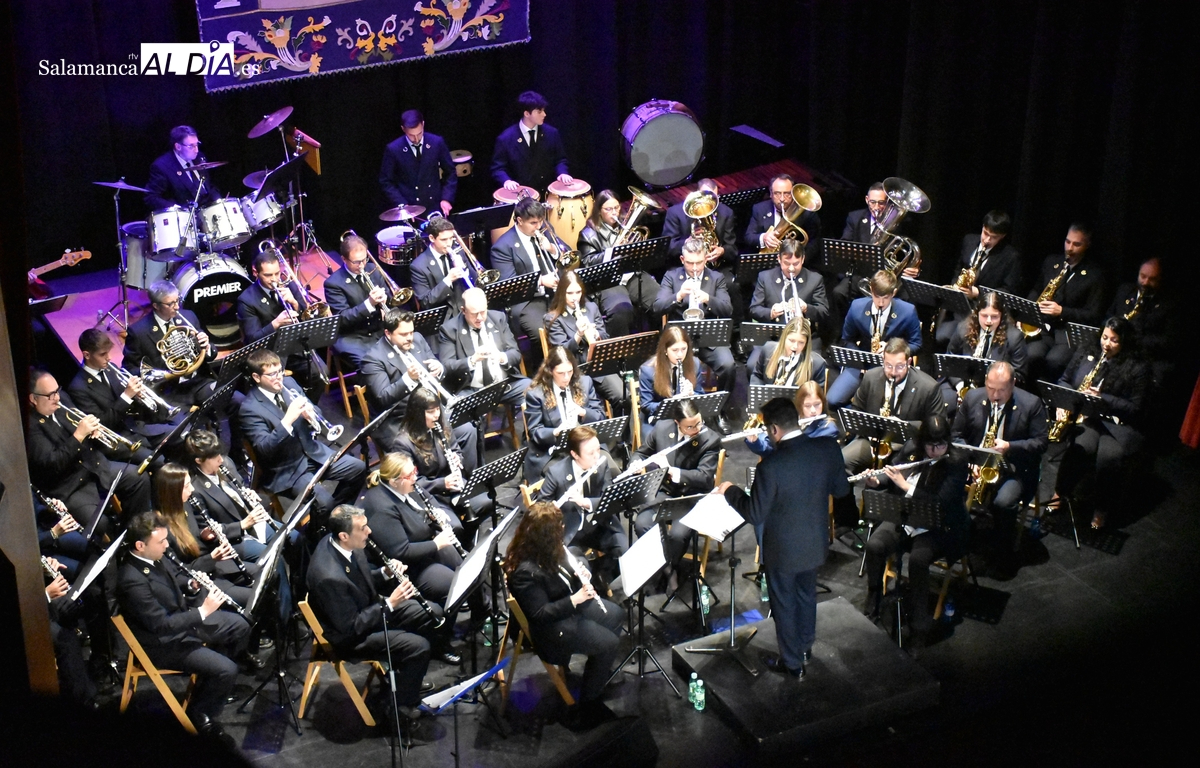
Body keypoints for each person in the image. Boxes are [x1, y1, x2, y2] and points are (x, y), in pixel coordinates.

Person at [719, 397, 851, 678]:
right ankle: (804, 648)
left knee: (785, 604)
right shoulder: (827, 449)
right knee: (806, 596)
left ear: (774, 430)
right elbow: (840, 490)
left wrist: (730, 491)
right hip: (815, 543)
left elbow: (754, 513)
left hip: (782, 550)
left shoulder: (771, 465)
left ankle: (792, 664)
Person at [306, 505, 447, 729]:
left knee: (431, 613)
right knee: (418, 647)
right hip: (351, 637)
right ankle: (397, 708)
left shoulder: (345, 543)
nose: (369, 531)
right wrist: (391, 603)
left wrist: (384, 573)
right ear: (344, 535)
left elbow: (358, 582)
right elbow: (350, 627)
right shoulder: (328, 577)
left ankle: (405, 681)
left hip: (367, 610)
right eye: (363, 528)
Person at [117, 511, 250, 746]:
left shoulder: (154, 556)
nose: (167, 545)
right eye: (161, 541)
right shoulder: (132, 579)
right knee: (227, 670)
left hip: (182, 623)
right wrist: (203, 612)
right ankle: (201, 714)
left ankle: (208, 684)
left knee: (240, 625)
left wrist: (191, 583)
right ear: (140, 545)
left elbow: (174, 579)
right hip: (163, 643)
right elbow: (160, 625)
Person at [861, 415, 970, 654]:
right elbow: (891, 475)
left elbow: (940, 503)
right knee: (875, 545)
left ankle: (919, 629)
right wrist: (875, 481)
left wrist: (905, 486)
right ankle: (873, 600)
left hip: (937, 525)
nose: (935, 450)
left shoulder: (956, 462)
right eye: (931, 445)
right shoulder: (913, 448)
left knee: (919, 561)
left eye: (941, 445)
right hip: (906, 516)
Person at [503, 502, 623, 717]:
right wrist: (575, 599)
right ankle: (589, 702)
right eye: (558, 528)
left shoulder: (545, 548)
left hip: (567, 606)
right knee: (609, 644)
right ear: (545, 536)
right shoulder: (524, 572)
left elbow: (563, 565)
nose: (562, 531)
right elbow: (539, 614)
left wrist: (580, 572)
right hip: (552, 629)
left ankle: (598, 669)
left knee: (616, 615)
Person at [237, 350, 367, 529]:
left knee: (358, 469)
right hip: (287, 469)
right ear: (256, 377)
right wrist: (287, 420)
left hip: (312, 452)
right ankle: (317, 534)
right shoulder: (249, 409)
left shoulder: (288, 383)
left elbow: (316, 411)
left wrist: (311, 414)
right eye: (272, 374)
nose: (279, 378)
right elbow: (264, 449)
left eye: (280, 371)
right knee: (323, 503)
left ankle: (334, 518)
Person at [1039, 317, 1146, 530]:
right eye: (1105, 337)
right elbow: (1065, 379)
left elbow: (1136, 408)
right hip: (1090, 417)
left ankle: (1101, 509)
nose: (1106, 344)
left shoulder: (1137, 368)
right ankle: (1060, 493)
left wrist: (1103, 398)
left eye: (1114, 340)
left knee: (1109, 457)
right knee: (1080, 447)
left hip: (1119, 424)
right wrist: (1064, 402)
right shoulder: (1087, 352)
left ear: (1124, 342)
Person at [359, 453, 480, 635]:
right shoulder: (381, 507)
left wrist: (435, 513)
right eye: (410, 475)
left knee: (467, 568)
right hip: (407, 568)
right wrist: (436, 544)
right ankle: (441, 639)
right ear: (394, 481)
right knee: (451, 584)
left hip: (424, 548)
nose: (415, 477)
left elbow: (426, 497)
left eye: (415, 471)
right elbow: (401, 552)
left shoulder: (407, 486)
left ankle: (481, 611)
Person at [26, 368, 152, 533]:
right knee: (100, 525)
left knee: (138, 479)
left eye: (57, 391)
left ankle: (134, 533)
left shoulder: (61, 399)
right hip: (70, 486)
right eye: (50, 395)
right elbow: (53, 463)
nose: (57, 398)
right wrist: (79, 435)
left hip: (93, 465)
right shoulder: (30, 427)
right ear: (33, 399)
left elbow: (79, 420)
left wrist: (92, 431)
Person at [951, 362, 1048, 561]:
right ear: (985, 382)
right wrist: (972, 460)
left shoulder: (1032, 404)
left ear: (1013, 384)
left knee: (1003, 502)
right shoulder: (973, 397)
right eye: (991, 388)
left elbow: (1040, 443)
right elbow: (956, 434)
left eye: (1001, 390)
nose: (995, 396)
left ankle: (1002, 546)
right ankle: (956, 534)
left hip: (1015, 467)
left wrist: (1010, 446)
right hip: (977, 463)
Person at [359, 308, 476, 457]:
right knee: (428, 451)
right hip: (398, 420)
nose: (409, 338)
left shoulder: (418, 339)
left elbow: (433, 364)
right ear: (388, 333)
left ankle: (465, 478)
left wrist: (439, 368)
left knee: (467, 430)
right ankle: (439, 479)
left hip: (429, 410)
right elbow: (383, 398)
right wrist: (408, 379)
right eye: (403, 334)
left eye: (411, 332)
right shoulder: (373, 359)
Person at [654, 236, 737, 430]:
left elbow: (727, 309)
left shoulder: (715, 278)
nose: (694, 268)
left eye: (699, 262)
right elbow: (657, 306)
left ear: (706, 258)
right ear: (683, 260)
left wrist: (708, 298)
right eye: (690, 263)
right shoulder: (671, 276)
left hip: (708, 337)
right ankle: (678, 411)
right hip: (679, 341)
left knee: (729, 365)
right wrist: (679, 295)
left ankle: (718, 410)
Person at [154, 462, 262, 611]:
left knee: (265, 575)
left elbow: (195, 537)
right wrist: (212, 557)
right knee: (255, 597)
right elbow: (181, 571)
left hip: (218, 567)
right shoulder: (161, 529)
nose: (192, 489)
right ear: (172, 492)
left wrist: (204, 535)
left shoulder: (185, 504)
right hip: (204, 581)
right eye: (186, 487)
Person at [66, 328, 179, 468]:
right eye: (103, 354)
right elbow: (101, 424)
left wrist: (137, 395)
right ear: (87, 355)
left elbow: (128, 404)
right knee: (160, 461)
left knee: (180, 435)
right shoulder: (78, 388)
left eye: (108, 352)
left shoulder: (110, 368)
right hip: (118, 441)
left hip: (136, 427)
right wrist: (127, 396)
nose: (109, 358)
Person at [632, 399, 722, 571]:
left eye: (699, 423)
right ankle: (663, 567)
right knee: (642, 523)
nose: (697, 429)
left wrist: (672, 471)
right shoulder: (662, 429)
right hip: (665, 491)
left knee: (678, 535)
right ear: (677, 423)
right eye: (690, 427)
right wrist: (635, 464)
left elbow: (704, 477)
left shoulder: (710, 440)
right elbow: (641, 453)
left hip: (692, 495)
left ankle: (669, 568)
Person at [841, 338, 946, 477]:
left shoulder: (929, 387)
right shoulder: (870, 378)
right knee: (841, 461)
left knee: (893, 480)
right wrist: (869, 431)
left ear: (909, 363)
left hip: (908, 448)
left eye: (899, 366)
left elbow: (937, 426)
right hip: (873, 443)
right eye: (888, 365)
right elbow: (857, 409)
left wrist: (900, 427)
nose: (893, 372)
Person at [237, 249, 326, 402]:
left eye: (277, 273)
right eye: (268, 275)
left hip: (293, 345)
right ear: (255, 272)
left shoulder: (289, 285)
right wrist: (275, 324)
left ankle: (309, 411)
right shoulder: (247, 300)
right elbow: (253, 339)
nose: (275, 280)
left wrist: (295, 304)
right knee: (279, 384)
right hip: (269, 352)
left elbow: (309, 316)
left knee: (321, 373)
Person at [826, 270, 923, 408]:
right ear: (871, 290)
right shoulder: (857, 307)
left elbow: (917, 344)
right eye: (877, 296)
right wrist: (858, 358)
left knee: (881, 408)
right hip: (861, 364)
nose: (881, 302)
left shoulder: (907, 311)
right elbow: (847, 339)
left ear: (894, 293)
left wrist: (893, 347)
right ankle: (855, 410)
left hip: (890, 366)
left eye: (886, 297)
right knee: (832, 401)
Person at [1024, 223, 1107, 382]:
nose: (1069, 248)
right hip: (1044, 326)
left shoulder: (1096, 275)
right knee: (1031, 355)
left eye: (1077, 244)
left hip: (1067, 333)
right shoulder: (1052, 262)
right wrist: (1030, 306)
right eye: (1068, 242)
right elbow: (1036, 289)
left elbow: (1094, 315)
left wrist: (1062, 311)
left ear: (1087, 245)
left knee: (1054, 362)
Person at [537, 426, 623, 576]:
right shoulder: (556, 473)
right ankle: (591, 579)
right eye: (591, 453)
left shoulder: (601, 463)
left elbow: (608, 497)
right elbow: (541, 507)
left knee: (624, 552)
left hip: (598, 524)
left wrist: (585, 502)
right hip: (570, 533)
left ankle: (600, 577)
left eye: (598, 449)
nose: (597, 455)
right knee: (581, 571)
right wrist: (555, 509)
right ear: (575, 454)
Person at [122, 279, 218, 408]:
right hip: (168, 392)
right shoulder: (138, 332)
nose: (177, 307)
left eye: (177, 300)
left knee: (236, 401)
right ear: (156, 305)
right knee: (185, 426)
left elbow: (211, 354)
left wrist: (206, 347)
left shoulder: (189, 316)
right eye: (170, 304)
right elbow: (129, 369)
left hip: (199, 382)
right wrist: (157, 376)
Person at [185, 429, 276, 564]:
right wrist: (242, 525)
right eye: (214, 457)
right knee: (271, 557)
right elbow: (208, 532)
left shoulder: (226, 463)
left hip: (254, 524)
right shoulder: (195, 489)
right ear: (199, 460)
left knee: (293, 537)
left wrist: (247, 494)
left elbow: (239, 488)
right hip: (234, 539)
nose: (220, 459)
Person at [576, 188, 658, 333]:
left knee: (661, 300)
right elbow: (588, 262)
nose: (614, 212)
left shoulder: (626, 223)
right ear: (599, 210)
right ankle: (620, 353)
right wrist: (613, 252)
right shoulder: (588, 234)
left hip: (630, 274)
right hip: (608, 281)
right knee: (621, 312)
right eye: (608, 209)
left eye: (616, 207)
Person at [491, 195, 563, 359]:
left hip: (554, 293)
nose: (538, 227)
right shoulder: (502, 247)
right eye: (533, 223)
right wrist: (541, 282)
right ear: (519, 220)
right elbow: (509, 284)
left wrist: (551, 248)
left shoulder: (544, 228)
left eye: (540, 221)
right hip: (527, 301)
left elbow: (564, 252)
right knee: (543, 333)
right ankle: (543, 371)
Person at [936, 210, 1022, 347]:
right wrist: (955, 287)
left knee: (960, 341)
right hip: (959, 307)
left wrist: (978, 293)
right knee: (941, 337)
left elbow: (1008, 292)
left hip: (984, 312)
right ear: (982, 227)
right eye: (985, 233)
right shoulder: (969, 241)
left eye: (993, 237)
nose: (987, 240)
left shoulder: (1011, 257)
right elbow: (959, 269)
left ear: (1002, 236)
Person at [436, 287, 531, 410]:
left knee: (536, 392)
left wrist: (501, 357)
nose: (480, 318)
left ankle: (531, 429)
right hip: (471, 390)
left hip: (505, 385)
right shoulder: (449, 329)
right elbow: (447, 365)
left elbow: (516, 354)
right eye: (474, 314)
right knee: (463, 424)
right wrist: (472, 360)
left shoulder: (498, 318)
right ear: (463, 310)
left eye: (483, 312)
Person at [939, 292, 1028, 417]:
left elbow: (1019, 375)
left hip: (994, 390)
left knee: (978, 413)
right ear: (977, 314)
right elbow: (949, 360)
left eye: (994, 316)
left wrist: (991, 387)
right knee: (943, 406)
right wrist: (960, 387)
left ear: (1002, 316)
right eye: (984, 316)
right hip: (960, 383)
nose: (989, 321)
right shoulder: (963, 329)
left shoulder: (1014, 337)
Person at [524, 346, 606, 479]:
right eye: (561, 373)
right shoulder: (536, 394)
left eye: (570, 371)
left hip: (586, 445)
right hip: (554, 451)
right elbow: (534, 431)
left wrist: (583, 412)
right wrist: (556, 432)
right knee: (567, 480)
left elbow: (600, 416)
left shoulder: (585, 383)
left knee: (610, 470)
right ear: (550, 371)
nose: (566, 377)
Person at [394, 387, 479, 513]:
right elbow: (411, 482)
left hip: (453, 484)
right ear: (417, 414)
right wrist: (442, 483)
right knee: (454, 527)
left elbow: (456, 449)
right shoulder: (403, 443)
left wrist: (457, 457)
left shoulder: (440, 425)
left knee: (485, 503)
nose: (436, 415)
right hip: (430, 494)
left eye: (438, 409)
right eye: (430, 412)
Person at [544, 269, 623, 403]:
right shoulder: (553, 318)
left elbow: (605, 336)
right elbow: (561, 352)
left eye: (578, 292)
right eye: (569, 293)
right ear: (561, 293)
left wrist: (596, 334)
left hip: (597, 366)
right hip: (573, 371)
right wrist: (578, 335)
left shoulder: (591, 308)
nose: (575, 297)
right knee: (586, 406)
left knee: (623, 396)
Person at [323, 232, 390, 368]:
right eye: (356, 262)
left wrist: (386, 298)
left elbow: (389, 294)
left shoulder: (373, 269)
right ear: (344, 259)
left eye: (365, 259)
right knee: (373, 365)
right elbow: (342, 318)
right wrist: (369, 304)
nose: (362, 265)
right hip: (352, 337)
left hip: (378, 330)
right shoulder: (333, 283)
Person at [491, 91, 572, 194]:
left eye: (544, 110)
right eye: (539, 112)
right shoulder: (505, 139)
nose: (544, 114)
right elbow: (498, 168)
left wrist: (562, 173)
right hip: (521, 196)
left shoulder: (552, 133)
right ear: (527, 113)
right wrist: (506, 181)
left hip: (547, 194)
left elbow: (560, 159)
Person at [379, 109, 457, 215]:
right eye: (411, 135)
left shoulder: (436, 142)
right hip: (410, 209)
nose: (416, 139)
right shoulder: (393, 149)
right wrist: (402, 204)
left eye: (419, 133)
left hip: (434, 205)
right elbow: (386, 181)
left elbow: (450, 172)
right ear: (403, 129)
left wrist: (446, 198)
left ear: (423, 124)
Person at [1107, 257, 1171, 385]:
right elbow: (1108, 316)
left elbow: (1168, 341)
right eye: (1143, 276)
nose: (1145, 282)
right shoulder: (1124, 290)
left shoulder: (1169, 305)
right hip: (1115, 350)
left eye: (1152, 279)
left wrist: (1134, 339)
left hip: (1146, 356)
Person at [748, 237, 830, 335]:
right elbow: (754, 309)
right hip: (772, 337)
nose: (791, 268)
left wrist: (806, 307)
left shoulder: (815, 279)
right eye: (787, 263)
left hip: (804, 338)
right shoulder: (765, 277)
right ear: (779, 259)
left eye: (796, 264)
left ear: (803, 259)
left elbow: (824, 312)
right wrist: (771, 313)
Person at [637, 324, 701, 431]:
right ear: (665, 350)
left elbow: (701, 394)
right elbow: (646, 405)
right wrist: (670, 404)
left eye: (684, 349)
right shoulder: (648, 370)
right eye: (675, 350)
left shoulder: (695, 364)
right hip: (658, 419)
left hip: (686, 417)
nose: (680, 355)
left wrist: (692, 394)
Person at [743, 174, 823, 257]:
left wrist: (799, 260)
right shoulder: (759, 209)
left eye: (787, 193)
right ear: (771, 194)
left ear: (793, 194)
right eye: (777, 193)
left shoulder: (807, 212)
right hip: (768, 262)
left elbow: (815, 241)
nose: (782, 199)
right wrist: (764, 238)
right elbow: (749, 236)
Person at [145, 125, 220, 210]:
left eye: (197, 144)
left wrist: (218, 201)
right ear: (178, 147)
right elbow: (151, 197)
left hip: (208, 212)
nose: (196, 150)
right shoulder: (162, 166)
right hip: (185, 217)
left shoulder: (199, 157)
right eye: (191, 146)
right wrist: (176, 208)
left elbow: (210, 186)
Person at [409, 217, 475, 311]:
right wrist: (448, 279)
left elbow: (476, 283)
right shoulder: (418, 266)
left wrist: (465, 269)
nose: (449, 243)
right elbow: (425, 302)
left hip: (464, 309)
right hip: (443, 316)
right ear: (432, 238)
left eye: (451, 238)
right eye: (444, 239)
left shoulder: (458, 251)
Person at [750, 317, 828, 389]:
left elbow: (816, 395)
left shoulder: (817, 364)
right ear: (784, 338)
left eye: (801, 342)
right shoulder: (767, 349)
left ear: (806, 343)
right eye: (791, 341)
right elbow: (757, 376)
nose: (795, 347)